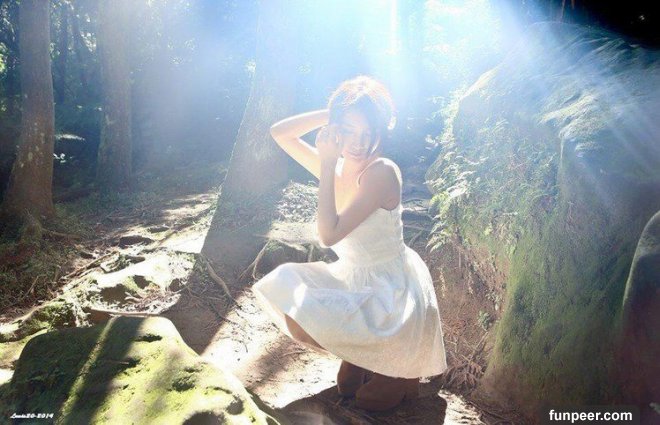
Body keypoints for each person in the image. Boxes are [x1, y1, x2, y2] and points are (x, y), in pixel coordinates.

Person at [251, 75, 447, 411]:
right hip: (354, 276)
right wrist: (332, 115)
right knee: (287, 289)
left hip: (392, 289)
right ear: (336, 128)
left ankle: (398, 372)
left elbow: (329, 235)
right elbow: (279, 132)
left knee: (370, 400)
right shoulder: (338, 163)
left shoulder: (381, 172)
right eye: (349, 130)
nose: (358, 142)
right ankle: (363, 356)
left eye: (368, 132)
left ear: (381, 130)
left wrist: (328, 163)